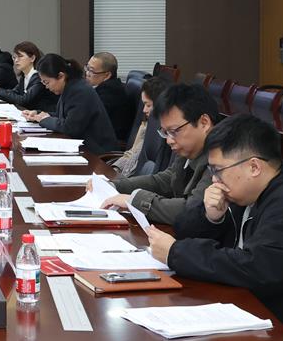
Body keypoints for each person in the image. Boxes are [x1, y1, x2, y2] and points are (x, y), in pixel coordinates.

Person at [147, 115, 283, 338]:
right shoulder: (248, 189)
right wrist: (210, 217)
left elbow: (257, 269)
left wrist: (176, 253)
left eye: (217, 170)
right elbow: (184, 231)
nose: (214, 180)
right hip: (261, 312)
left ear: (254, 167)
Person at [99, 82, 221, 224]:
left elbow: (193, 209)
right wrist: (115, 186)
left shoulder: (222, 157)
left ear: (204, 123)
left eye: (174, 131)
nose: (169, 140)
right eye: (165, 132)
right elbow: (167, 180)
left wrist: (134, 201)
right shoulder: (190, 149)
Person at [23, 54, 120, 153]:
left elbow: (70, 128)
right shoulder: (70, 86)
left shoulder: (79, 91)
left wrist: (44, 119)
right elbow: (64, 116)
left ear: (61, 76)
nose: (46, 87)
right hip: (82, 146)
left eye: (47, 82)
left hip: (96, 152)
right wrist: (38, 114)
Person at [111, 75, 170, 179]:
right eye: (144, 105)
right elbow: (131, 152)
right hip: (127, 176)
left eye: (148, 105)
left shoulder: (166, 134)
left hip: (134, 179)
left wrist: (120, 179)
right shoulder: (145, 124)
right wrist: (115, 170)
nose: (144, 110)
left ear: (160, 104)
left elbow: (136, 159)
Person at [0, 40, 56, 112]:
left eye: (20, 56)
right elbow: (14, 92)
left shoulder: (39, 77)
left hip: (44, 114)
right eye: (14, 57)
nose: (16, 60)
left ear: (32, 58)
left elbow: (24, 100)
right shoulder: (24, 76)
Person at [86, 51, 136, 144]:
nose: (87, 73)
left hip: (105, 143)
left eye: (91, 71)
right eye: (87, 68)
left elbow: (88, 118)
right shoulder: (105, 87)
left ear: (107, 75)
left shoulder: (110, 93)